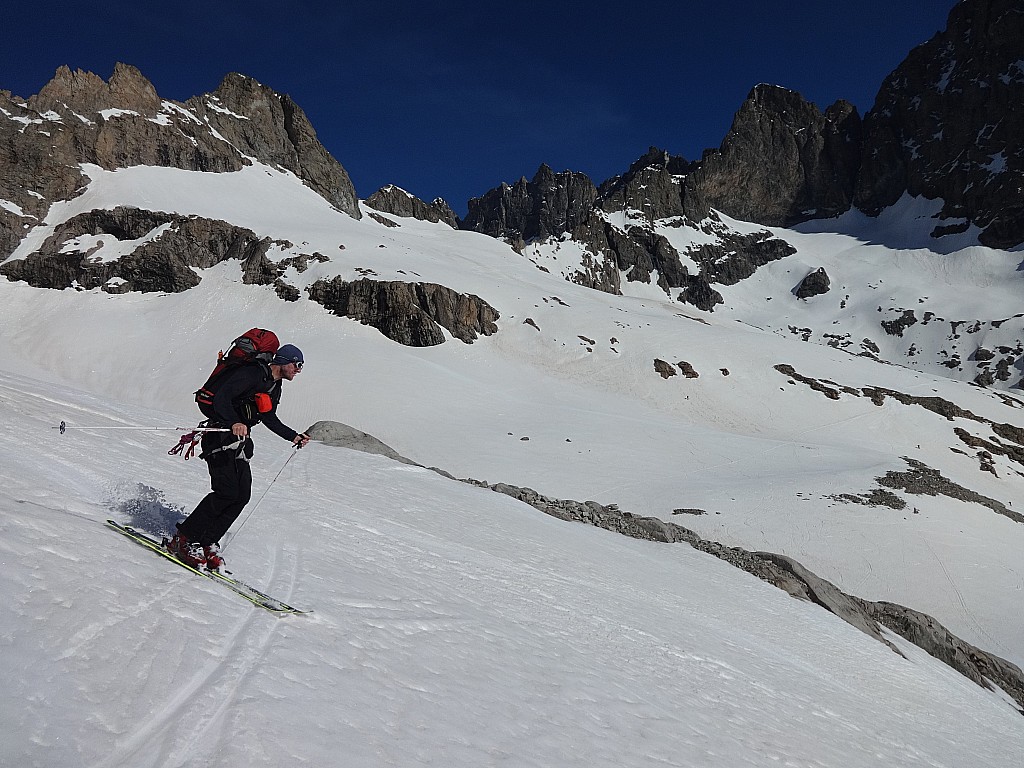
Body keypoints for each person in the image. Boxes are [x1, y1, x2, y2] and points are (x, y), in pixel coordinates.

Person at [166, 343, 310, 570]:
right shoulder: (252, 373)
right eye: (297, 364)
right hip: (219, 436)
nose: (299, 370)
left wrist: (293, 436)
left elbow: (269, 417)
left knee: (241, 495)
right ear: (284, 360)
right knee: (226, 492)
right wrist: (234, 421)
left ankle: (207, 543)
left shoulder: (274, 385)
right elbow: (220, 399)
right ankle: (183, 540)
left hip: (239, 441)